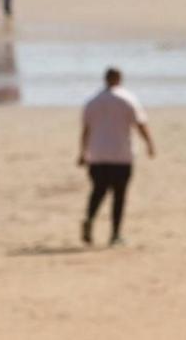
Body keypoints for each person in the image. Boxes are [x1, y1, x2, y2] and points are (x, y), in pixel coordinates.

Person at [79, 66, 155, 247]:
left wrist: (82, 152)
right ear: (119, 79)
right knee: (119, 195)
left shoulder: (93, 101)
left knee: (98, 191)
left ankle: (89, 218)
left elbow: (86, 130)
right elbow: (141, 124)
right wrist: (149, 144)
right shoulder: (127, 99)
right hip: (121, 155)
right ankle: (115, 234)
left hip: (97, 154)